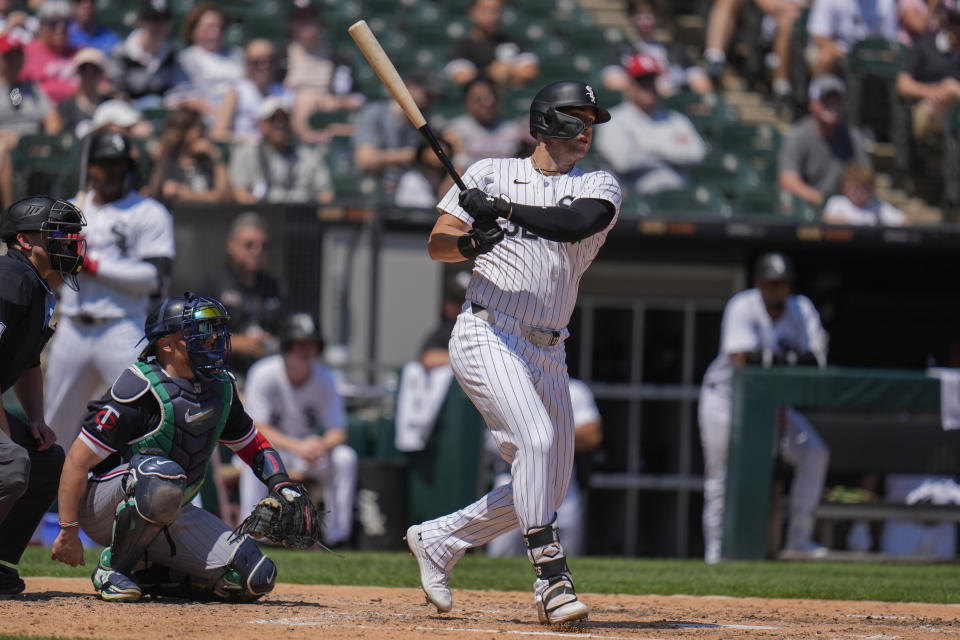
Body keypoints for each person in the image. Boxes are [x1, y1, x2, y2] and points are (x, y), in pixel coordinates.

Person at [406, 80, 621, 625]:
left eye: (591, 119)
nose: (586, 129)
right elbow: (439, 243)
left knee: (546, 480)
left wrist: (502, 211)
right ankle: (552, 579)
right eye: (575, 117)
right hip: (487, 329)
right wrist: (473, 242)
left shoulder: (598, 185)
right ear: (545, 122)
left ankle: (439, 540)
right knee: (537, 440)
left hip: (550, 348)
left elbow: (576, 224)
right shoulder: (486, 172)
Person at [50, 293, 306, 603]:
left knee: (252, 577)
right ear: (167, 344)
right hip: (106, 508)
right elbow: (77, 461)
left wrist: (281, 484)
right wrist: (68, 530)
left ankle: (150, 573)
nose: (212, 339)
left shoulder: (220, 387)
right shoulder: (140, 388)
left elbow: (253, 444)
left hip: (172, 508)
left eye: (214, 330)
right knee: (161, 475)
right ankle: (114, 568)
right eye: (199, 332)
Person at [44, 130, 175, 445]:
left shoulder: (148, 212)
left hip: (122, 326)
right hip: (73, 327)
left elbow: (153, 277)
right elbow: (48, 275)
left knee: (148, 419)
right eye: (104, 163)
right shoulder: (71, 210)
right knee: (52, 426)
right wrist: (60, 256)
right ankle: (43, 494)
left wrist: (91, 264)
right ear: (90, 167)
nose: (112, 171)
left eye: (118, 163)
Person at [698, 252, 830, 564]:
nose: (777, 290)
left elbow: (818, 361)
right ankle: (715, 554)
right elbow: (743, 361)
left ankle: (799, 539)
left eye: (782, 284)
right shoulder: (743, 305)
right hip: (726, 401)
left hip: (773, 404)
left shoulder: (802, 309)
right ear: (759, 284)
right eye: (771, 284)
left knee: (814, 452)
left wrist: (772, 360)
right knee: (720, 476)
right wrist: (791, 361)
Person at [0, 195, 85, 595]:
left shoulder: (35, 284)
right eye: (57, 235)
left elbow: (28, 360)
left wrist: (35, 417)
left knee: (45, 459)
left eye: (70, 236)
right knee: (11, 465)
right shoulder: (11, 278)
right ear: (24, 241)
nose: (68, 242)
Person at [238, 312, 357, 548]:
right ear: (286, 345)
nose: (306, 350)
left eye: (311, 344)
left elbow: (338, 431)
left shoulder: (325, 378)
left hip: (307, 453)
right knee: (248, 461)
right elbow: (256, 427)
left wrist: (319, 445)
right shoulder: (264, 372)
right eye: (299, 343)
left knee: (345, 458)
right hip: (271, 450)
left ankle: (338, 537)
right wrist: (298, 446)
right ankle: (249, 535)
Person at [486, 378, 602, 557]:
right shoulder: (504, 387)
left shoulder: (573, 389)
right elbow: (497, 442)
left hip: (560, 483)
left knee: (567, 559)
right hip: (511, 481)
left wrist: (538, 434)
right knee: (501, 556)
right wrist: (558, 433)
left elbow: (591, 436)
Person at [594, 53, 707, 194]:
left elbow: (697, 153)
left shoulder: (676, 119)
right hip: (634, 200)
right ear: (630, 84)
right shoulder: (613, 119)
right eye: (642, 81)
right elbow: (623, 162)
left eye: (651, 80)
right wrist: (672, 153)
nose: (648, 87)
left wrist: (648, 148)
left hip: (677, 200)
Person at [201, 212, 283, 377]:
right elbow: (198, 334)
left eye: (263, 246)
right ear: (231, 245)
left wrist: (273, 343)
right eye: (249, 245)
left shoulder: (274, 286)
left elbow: (287, 334)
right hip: (224, 376)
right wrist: (237, 343)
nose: (257, 251)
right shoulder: (213, 285)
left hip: (268, 374)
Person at [778, 75, 871, 207]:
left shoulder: (853, 137)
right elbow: (788, 181)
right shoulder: (798, 135)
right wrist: (823, 202)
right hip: (807, 211)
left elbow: (866, 177)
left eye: (836, 100)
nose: (832, 105)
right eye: (826, 100)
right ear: (812, 104)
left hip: (845, 210)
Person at [283, 2, 363, 144]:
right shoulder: (282, 56)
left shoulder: (338, 57)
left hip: (331, 106)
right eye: (301, 18)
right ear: (291, 23)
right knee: (305, 99)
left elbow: (356, 96)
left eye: (311, 18)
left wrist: (337, 100)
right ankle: (307, 141)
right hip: (293, 109)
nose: (307, 23)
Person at [229, 97, 334, 204]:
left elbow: (326, 195)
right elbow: (240, 193)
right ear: (262, 124)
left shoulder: (308, 156)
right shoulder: (246, 154)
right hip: (262, 213)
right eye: (273, 119)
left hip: (302, 214)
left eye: (285, 119)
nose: (280, 124)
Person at [353, 69, 441, 193]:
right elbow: (364, 161)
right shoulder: (375, 112)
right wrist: (407, 156)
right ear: (410, 87)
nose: (431, 102)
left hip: (406, 189)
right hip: (374, 186)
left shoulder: (425, 122)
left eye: (434, 97)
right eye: (428, 95)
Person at [702, 0, 805, 104]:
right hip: (756, 12)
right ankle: (714, 59)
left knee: (787, 21)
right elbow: (768, 5)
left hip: (785, 18)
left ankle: (781, 88)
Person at [605, 0, 712, 96]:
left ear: (658, 17)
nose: (645, 21)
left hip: (672, 109)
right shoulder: (621, 49)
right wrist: (654, 90)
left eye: (650, 15)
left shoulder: (676, 50)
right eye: (639, 15)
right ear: (631, 18)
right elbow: (613, 82)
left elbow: (702, 84)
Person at [166, 3, 243, 116]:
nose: (215, 33)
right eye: (209, 27)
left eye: (219, 27)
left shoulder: (237, 54)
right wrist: (213, 112)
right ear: (194, 29)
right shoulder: (186, 59)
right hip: (209, 116)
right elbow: (179, 97)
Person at [145, 106, 232, 206]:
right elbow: (153, 196)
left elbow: (225, 198)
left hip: (209, 217)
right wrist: (161, 160)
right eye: (199, 128)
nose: (202, 133)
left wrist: (216, 157)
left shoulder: (208, 159)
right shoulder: (166, 160)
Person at [896, 5, 960, 140]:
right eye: (955, 22)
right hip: (925, 109)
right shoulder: (924, 45)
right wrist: (931, 91)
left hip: (955, 110)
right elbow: (903, 85)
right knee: (950, 89)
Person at [211, 38, 293, 144]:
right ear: (247, 64)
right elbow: (217, 133)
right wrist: (247, 141)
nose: (264, 66)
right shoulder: (237, 91)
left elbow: (294, 133)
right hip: (245, 153)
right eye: (256, 62)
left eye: (269, 60)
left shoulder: (286, 93)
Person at [445, 0, 539, 87]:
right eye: (486, 10)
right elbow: (461, 77)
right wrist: (491, 74)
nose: (493, 16)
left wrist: (509, 70)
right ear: (472, 12)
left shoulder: (513, 41)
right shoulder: (462, 46)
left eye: (497, 10)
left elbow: (529, 71)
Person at [444, 75, 525, 168]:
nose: (487, 103)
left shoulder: (514, 130)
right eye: (479, 99)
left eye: (492, 97)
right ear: (466, 102)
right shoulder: (455, 131)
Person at [109, 0, 179, 108]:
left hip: (165, 115)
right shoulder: (122, 53)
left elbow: (177, 90)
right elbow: (116, 90)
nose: (159, 25)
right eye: (154, 19)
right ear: (141, 21)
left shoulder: (171, 54)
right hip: (129, 115)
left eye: (164, 19)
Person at [807, 0, 899, 77]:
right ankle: (824, 94)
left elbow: (890, 42)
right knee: (825, 57)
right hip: (840, 54)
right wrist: (843, 53)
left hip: (872, 56)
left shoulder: (885, 2)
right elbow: (819, 35)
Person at [20, 0, 78, 104]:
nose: (60, 28)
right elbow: (16, 90)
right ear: (42, 26)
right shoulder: (26, 53)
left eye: (66, 23)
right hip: (40, 112)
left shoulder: (79, 52)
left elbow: (102, 85)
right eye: (53, 23)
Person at [823, 163, 908, 226]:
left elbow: (905, 221)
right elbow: (827, 220)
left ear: (871, 190)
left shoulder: (879, 207)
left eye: (864, 189)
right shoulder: (837, 203)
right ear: (845, 188)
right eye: (855, 188)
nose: (859, 193)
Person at [57, 46, 107, 138]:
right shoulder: (66, 106)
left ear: (101, 73)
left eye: (94, 70)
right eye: (84, 69)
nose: (89, 74)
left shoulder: (109, 105)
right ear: (78, 72)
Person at [395, 137, 456, 208]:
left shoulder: (450, 178)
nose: (439, 155)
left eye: (443, 151)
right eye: (434, 151)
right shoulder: (412, 179)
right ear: (423, 153)